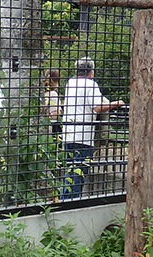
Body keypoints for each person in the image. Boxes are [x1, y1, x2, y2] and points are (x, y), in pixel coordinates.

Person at [60, 57, 125, 200]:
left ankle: (63, 200)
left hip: (68, 133)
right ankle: (71, 203)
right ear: (91, 71)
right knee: (79, 173)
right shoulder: (91, 84)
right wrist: (116, 103)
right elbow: (96, 107)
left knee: (69, 171)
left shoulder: (70, 83)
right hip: (83, 136)